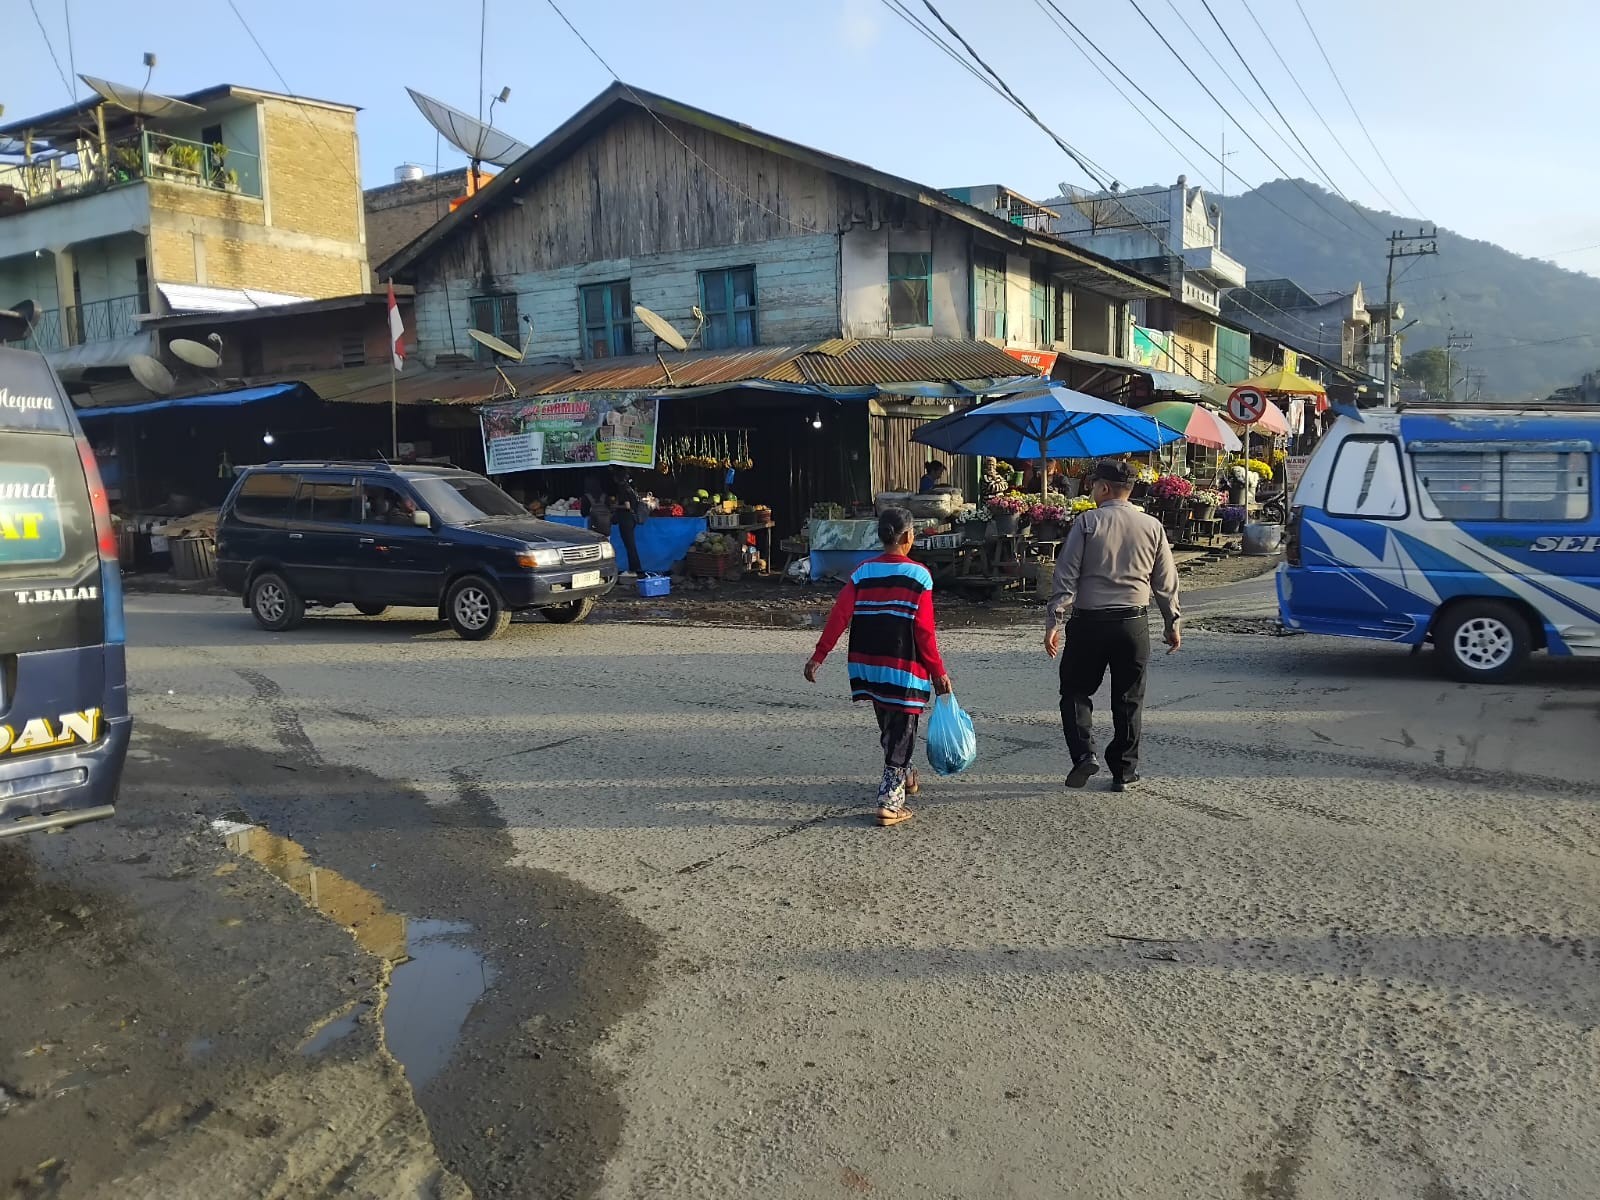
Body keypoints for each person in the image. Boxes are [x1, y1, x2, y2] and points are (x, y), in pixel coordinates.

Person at [804, 507, 951, 827]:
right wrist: (938, 671)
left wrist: (819, 655)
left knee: (891, 722)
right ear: (909, 537)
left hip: (868, 667)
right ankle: (890, 798)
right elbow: (924, 633)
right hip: (903, 666)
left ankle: (906, 773)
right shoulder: (919, 575)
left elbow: (839, 616)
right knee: (903, 726)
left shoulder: (862, 572)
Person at [1044, 459, 1181, 792]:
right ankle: (1124, 771)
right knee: (1129, 698)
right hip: (1133, 624)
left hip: (1090, 623)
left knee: (1075, 690)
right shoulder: (1152, 526)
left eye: (1093, 486)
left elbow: (1066, 575)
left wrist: (1054, 621)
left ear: (1104, 488)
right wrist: (1171, 622)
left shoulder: (1087, 523)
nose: (1091, 491)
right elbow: (1165, 581)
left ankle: (1083, 755)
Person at [581, 470, 644, 576]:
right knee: (607, 547)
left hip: (597, 524)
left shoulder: (622, 489)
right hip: (607, 525)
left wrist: (615, 506)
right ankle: (608, 569)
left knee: (595, 548)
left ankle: (634, 569)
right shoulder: (627, 490)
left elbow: (584, 513)